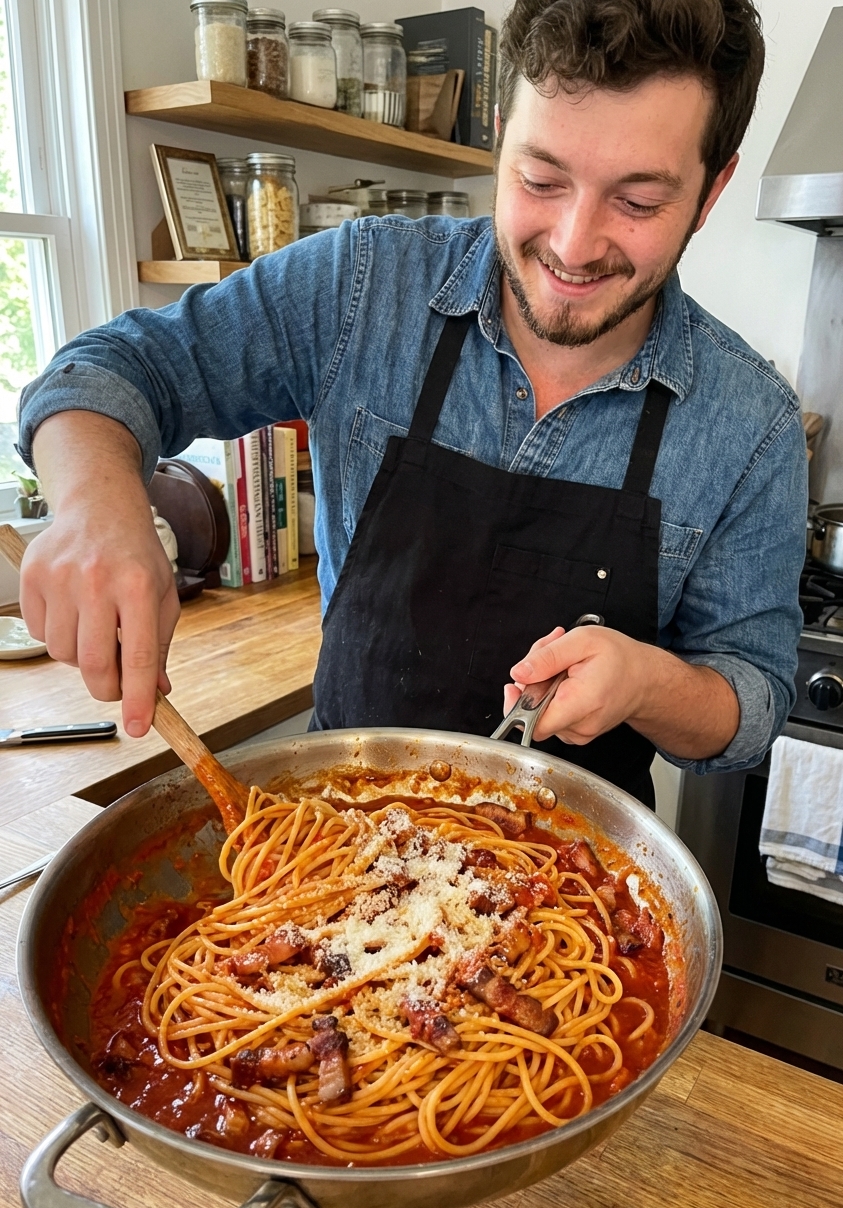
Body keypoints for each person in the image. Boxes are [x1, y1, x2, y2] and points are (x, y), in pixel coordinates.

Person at [16, 0, 806, 807]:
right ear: (501, 136)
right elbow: (115, 368)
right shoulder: (358, 287)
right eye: (540, 179)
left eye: (637, 202)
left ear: (712, 189)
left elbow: (753, 699)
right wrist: (95, 507)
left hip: (578, 887)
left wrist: (649, 682)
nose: (572, 244)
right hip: (340, 851)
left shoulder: (751, 423)